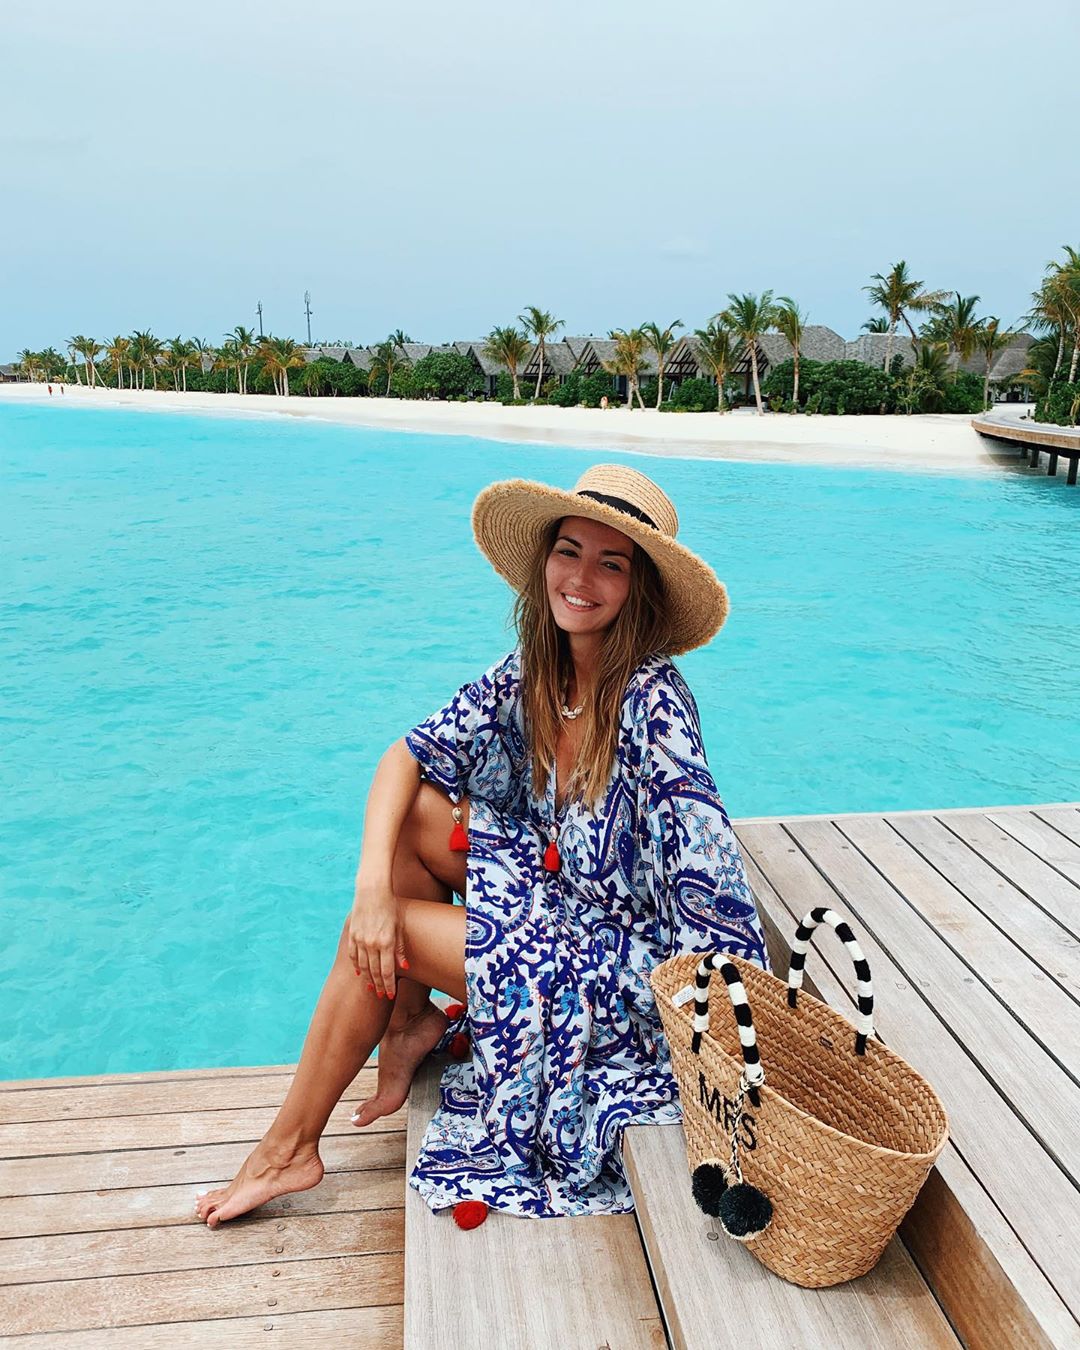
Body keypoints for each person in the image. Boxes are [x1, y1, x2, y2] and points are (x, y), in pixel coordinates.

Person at [195, 464, 766, 1229]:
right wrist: (369, 888)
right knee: (407, 822)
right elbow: (406, 753)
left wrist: (724, 1038)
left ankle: (288, 1148)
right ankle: (404, 1025)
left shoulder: (653, 705)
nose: (582, 579)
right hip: (554, 897)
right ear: (544, 562)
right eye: (569, 551)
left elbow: (710, 876)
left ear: (640, 590)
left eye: (611, 563)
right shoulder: (539, 669)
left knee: (386, 932)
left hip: (620, 967)